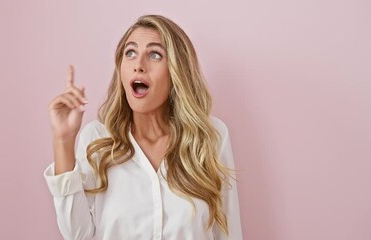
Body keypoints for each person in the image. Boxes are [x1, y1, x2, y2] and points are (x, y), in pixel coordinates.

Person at [44, 15, 243, 240]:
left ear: (176, 71)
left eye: (155, 55)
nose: (138, 65)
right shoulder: (96, 139)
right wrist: (63, 140)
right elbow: (77, 234)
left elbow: (228, 232)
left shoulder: (211, 137)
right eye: (130, 53)